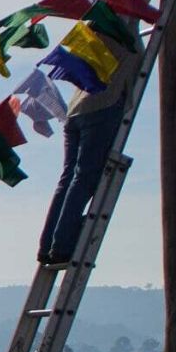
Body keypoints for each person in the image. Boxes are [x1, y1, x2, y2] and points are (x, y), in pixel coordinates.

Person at [37, 25, 144, 265]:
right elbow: (138, 58)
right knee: (85, 178)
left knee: (68, 178)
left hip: (76, 110)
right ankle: (62, 245)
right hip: (102, 105)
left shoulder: (92, 27)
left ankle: (48, 246)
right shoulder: (122, 28)